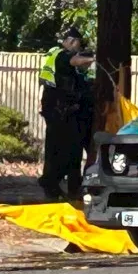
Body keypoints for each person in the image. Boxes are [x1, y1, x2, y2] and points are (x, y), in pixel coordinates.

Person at [38, 28, 95, 201]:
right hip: (59, 111)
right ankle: (53, 184)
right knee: (63, 152)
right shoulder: (60, 55)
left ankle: (63, 187)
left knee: (67, 151)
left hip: (60, 111)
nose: (79, 48)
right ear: (70, 41)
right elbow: (74, 61)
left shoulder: (55, 57)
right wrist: (94, 59)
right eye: (78, 44)